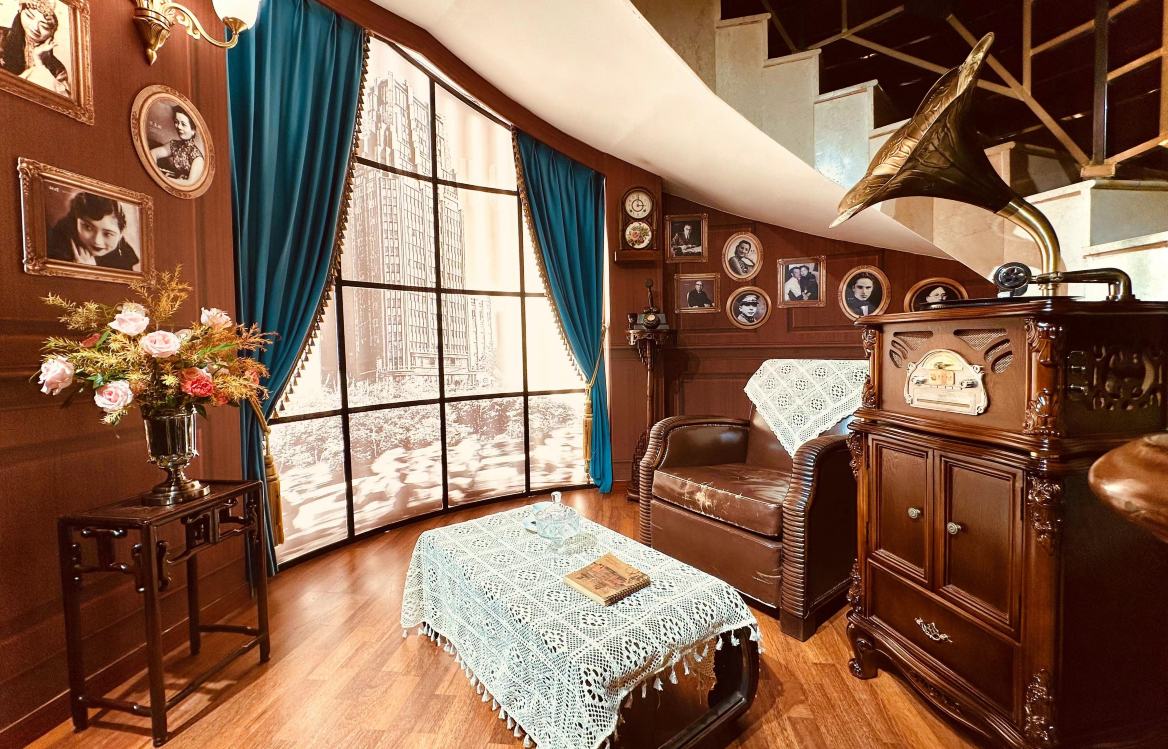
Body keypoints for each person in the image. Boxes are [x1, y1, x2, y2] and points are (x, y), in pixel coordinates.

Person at [46, 191, 140, 270]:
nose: (97, 241)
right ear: (76, 221)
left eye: (107, 234)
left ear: (121, 234)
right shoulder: (58, 245)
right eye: (88, 227)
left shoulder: (123, 254)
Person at [1, 1, 69, 96]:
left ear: (53, 31)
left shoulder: (57, 69)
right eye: (29, 16)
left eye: (44, 26)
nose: (35, 27)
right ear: (20, 11)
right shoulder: (1, 37)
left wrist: (39, 63)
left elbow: (58, 99)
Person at [150, 105, 205, 186]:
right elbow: (153, 153)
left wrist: (164, 178)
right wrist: (155, 171)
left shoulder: (197, 158)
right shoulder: (175, 145)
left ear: (193, 131)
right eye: (176, 122)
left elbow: (190, 183)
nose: (179, 126)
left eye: (183, 124)